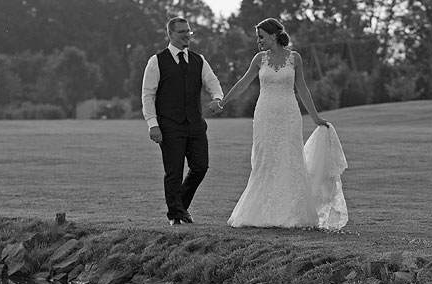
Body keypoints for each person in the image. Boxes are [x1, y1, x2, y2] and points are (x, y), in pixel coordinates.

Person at [221, 18, 349, 229]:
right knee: (266, 159)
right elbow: (243, 82)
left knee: (290, 158)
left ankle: (292, 212)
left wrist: (316, 117)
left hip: (289, 115)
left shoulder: (294, 58)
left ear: (273, 35)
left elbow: (303, 89)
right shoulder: (259, 59)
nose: (258, 41)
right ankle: (262, 212)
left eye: (261, 37)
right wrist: (223, 102)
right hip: (265, 115)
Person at [140, 17, 225, 225]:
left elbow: (212, 82)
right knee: (174, 171)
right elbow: (147, 95)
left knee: (200, 167)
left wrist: (217, 98)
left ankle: (181, 206)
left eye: (189, 31)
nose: (187, 35)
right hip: (169, 126)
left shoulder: (199, 60)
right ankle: (176, 215)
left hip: (195, 125)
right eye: (182, 32)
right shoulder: (156, 61)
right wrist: (153, 124)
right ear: (170, 34)